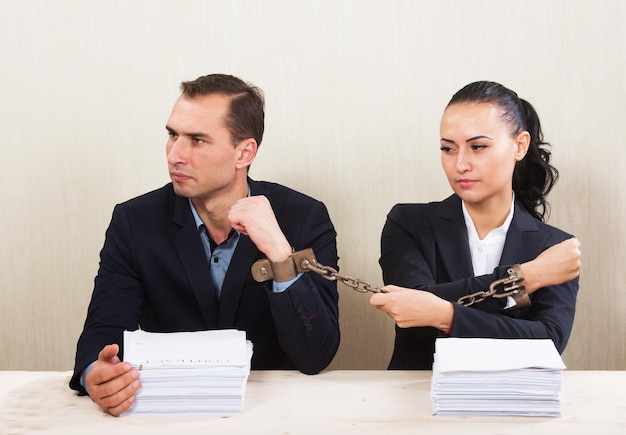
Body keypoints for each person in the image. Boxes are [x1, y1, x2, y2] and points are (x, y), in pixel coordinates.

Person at [70, 73, 340, 415]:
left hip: (272, 412)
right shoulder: (134, 221)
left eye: (197, 140)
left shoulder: (304, 217)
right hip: (169, 410)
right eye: (172, 135)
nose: (174, 155)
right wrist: (96, 373)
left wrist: (279, 252)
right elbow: (104, 328)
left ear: (244, 152)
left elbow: (316, 355)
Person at [370, 80, 581, 370]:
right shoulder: (408, 223)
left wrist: (444, 314)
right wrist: (523, 278)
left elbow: (547, 343)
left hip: (517, 403)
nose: (460, 165)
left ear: (520, 146)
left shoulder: (554, 249)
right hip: (417, 400)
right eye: (448, 149)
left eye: (478, 147)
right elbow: (411, 316)